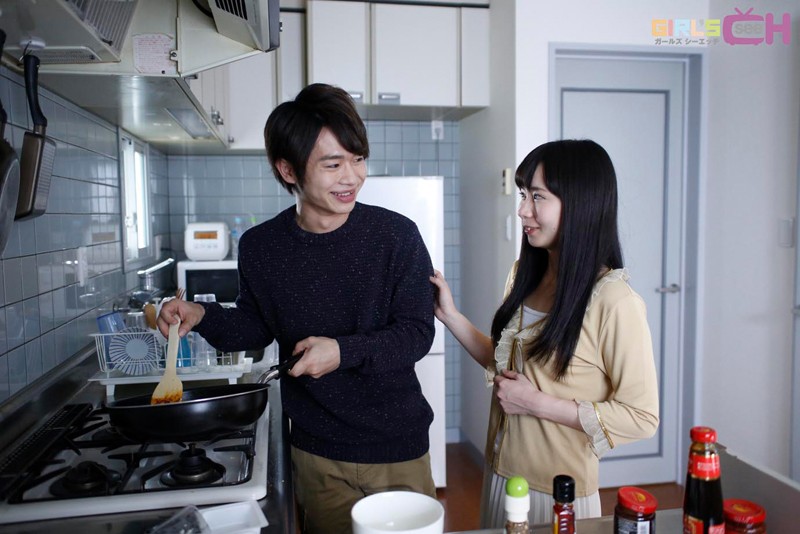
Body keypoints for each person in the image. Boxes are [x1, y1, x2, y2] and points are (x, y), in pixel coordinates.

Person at [157, 83, 437, 534]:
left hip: (395, 445)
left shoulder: (396, 235)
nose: (352, 177)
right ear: (288, 169)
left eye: (358, 159)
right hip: (315, 451)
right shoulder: (261, 246)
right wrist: (202, 316)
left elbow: (417, 334)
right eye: (333, 164)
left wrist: (341, 352)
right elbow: (254, 328)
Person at [429, 139, 659, 526]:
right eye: (523, 195)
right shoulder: (524, 274)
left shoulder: (615, 301)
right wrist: (449, 315)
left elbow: (642, 417)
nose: (523, 210)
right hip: (500, 474)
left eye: (537, 197)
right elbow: (508, 369)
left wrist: (536, 403)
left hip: (557, 493)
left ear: (581, 204)